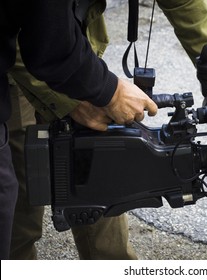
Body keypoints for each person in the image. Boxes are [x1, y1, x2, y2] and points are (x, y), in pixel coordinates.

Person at [5, 0, 207, 260]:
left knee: (102, 168)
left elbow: (184, 3)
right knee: (20, 200)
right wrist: (80, 96)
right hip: (16, 60)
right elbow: (30, 23)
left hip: (73, 47)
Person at [0, 0, 158, 259]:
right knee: (20, 192)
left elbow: (185, 4)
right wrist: (93, 94)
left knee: (96, 162)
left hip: (62, 53)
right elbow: (46, 42)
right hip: (18, 61)